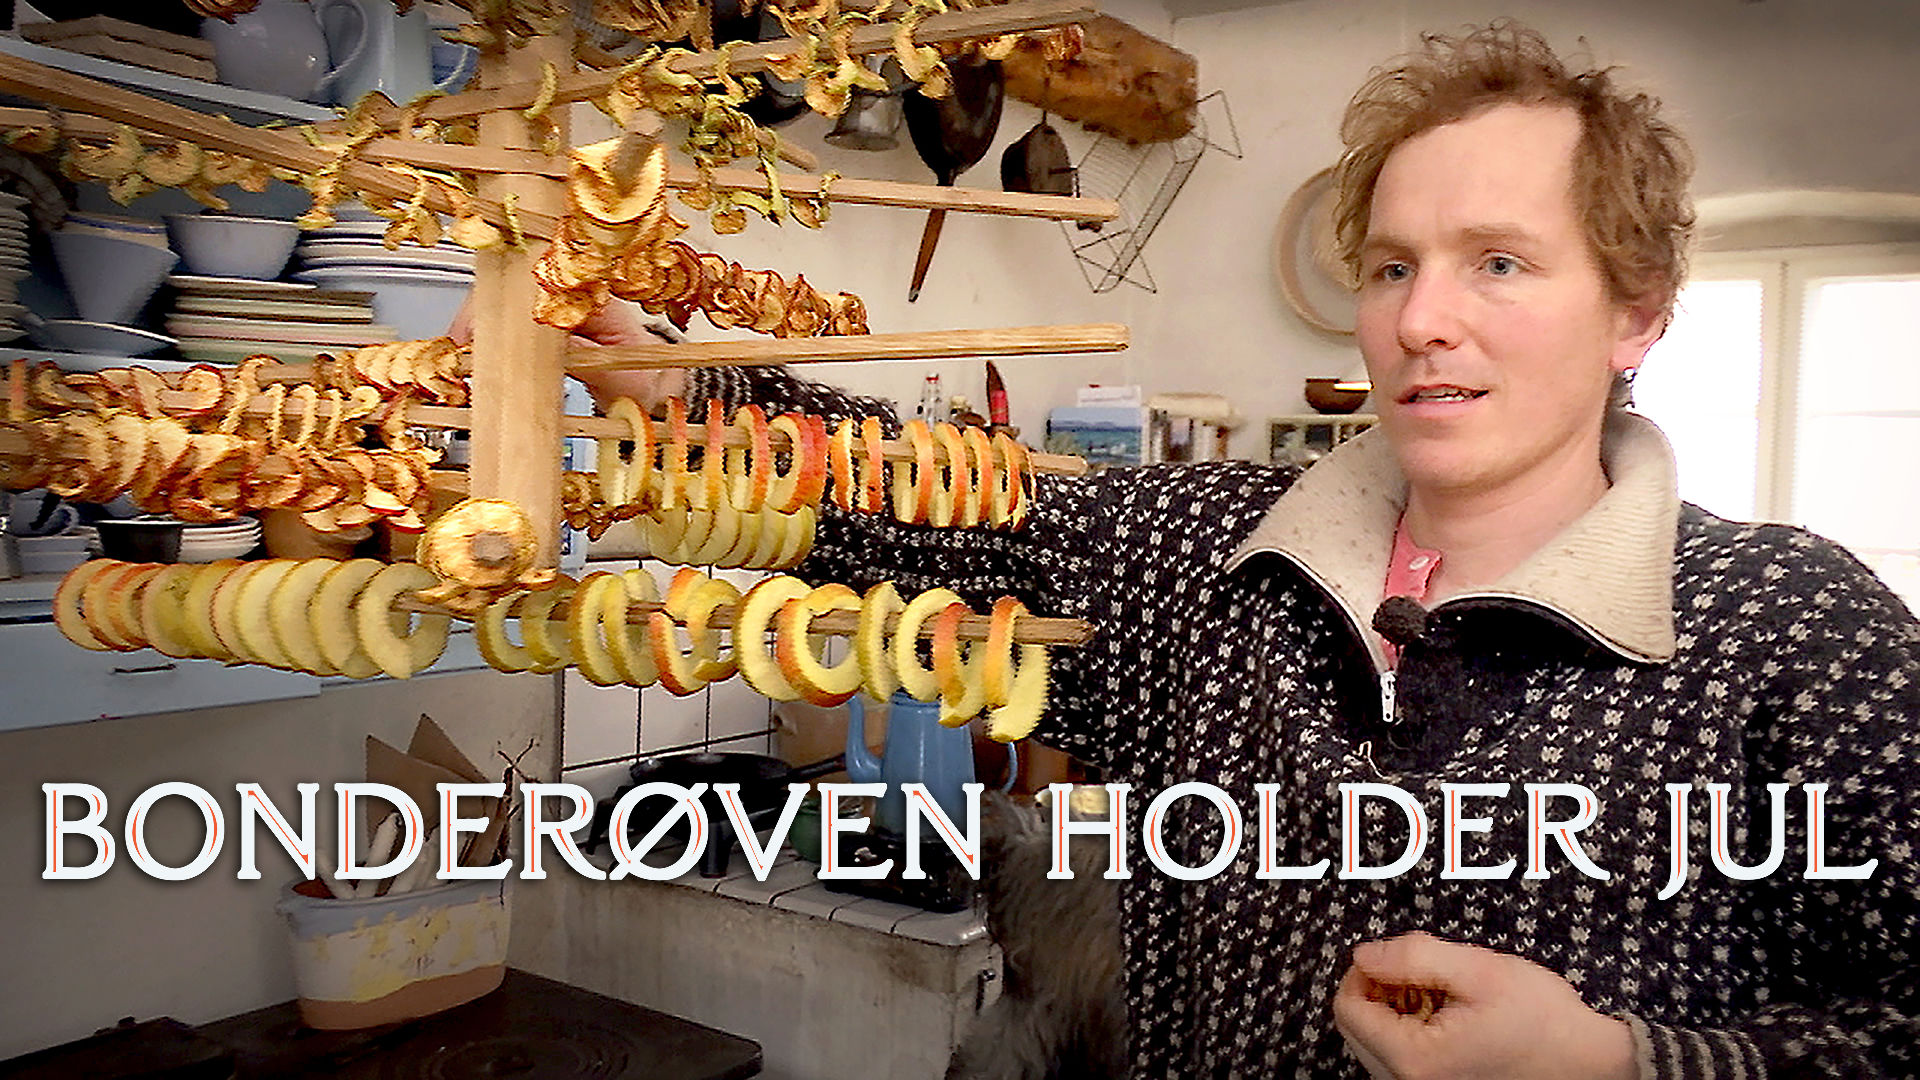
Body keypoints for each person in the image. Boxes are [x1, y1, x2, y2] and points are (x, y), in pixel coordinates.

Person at [570, 22, 1919, 1078]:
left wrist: (1622, 1065)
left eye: (1498, 263)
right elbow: (930, 513)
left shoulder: (1792, 628)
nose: (1421, 321)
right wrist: (670, 384)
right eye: (1391, 267)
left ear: (1637, 314)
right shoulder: (1212, 554)